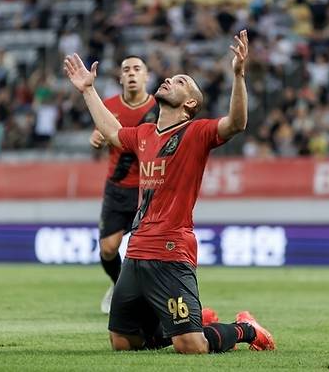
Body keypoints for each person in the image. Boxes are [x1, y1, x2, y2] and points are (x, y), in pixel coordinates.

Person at [63, 30, 275, 353]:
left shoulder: (196, 133)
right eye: (170, 78)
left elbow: (236, 123)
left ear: (190, 103)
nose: (169, 81)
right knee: (123, 342)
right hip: (135, 253)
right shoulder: (145, 134)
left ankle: (246, 329)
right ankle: (192, 320)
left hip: (172, 252)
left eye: (181, 82)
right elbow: (113, 132)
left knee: (190, 346)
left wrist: (238, 74)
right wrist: (88, 91)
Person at [91, 56, 158, 314]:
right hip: (118, 187)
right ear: (120, 78)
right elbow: (100, 131)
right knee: (108, 249)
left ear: (146, 76)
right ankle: (117, 284)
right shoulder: (108, 106)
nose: (131, 73)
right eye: (126, 69)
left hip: (150, 188)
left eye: (137, 69)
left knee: (148, 250)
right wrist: (97, 137)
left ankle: (146, 297)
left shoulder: (159, 107)